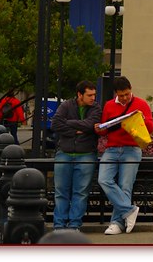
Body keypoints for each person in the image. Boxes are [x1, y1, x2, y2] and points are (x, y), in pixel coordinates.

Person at [95, 76, 153, 236]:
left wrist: (141, 119)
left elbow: (150, 127)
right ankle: (129, 210)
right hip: (112, 148)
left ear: (130, 89)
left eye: (127, 94)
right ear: (116, 94)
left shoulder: (141, 104)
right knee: (103, 179)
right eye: (121, 95)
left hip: (132, 148)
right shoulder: (108, 106)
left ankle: (116, 223)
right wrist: (100, 129)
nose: (125, 98)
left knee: (125, 186)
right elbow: (105, 129)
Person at [51, 80, 102, 231]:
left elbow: (90, 124)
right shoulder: (66, 105)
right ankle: (59, 226)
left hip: (86, 154)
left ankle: (74, 225)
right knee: (61, 191)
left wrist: (69, 123)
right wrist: (77, 130)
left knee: (80, 192)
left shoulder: (96, 108)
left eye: (94, 95)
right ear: (80, 95)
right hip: (64, 153)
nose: (93, 98)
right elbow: (55, 124)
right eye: (90, 95)